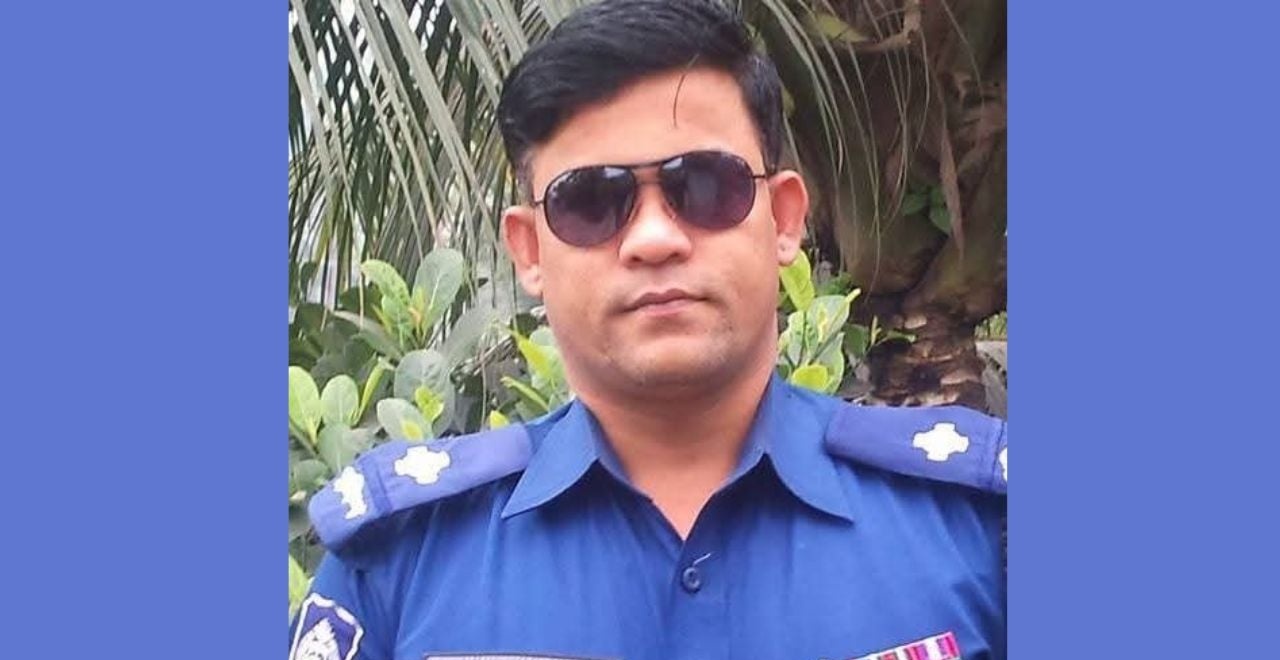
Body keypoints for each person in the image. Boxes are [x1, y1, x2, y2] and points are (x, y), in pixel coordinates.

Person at [289, 1, 1007, 659]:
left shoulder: (977, 531)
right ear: (530, 250)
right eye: (590, 201)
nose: (655, 239)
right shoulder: (401, 560)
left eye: (706, 185)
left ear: (785, 218)